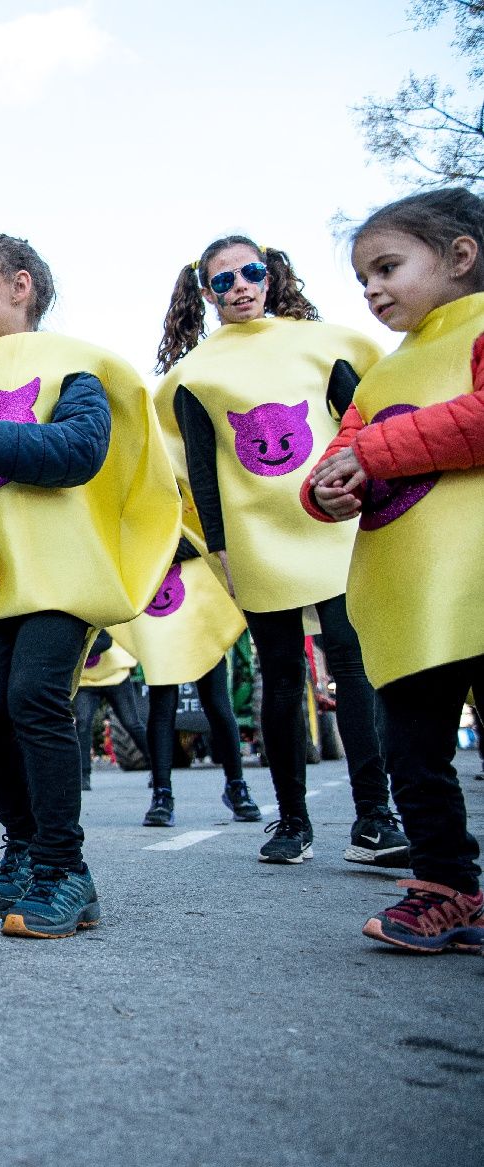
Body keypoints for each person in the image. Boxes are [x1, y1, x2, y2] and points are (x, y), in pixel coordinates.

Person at [0, 234, 179, 938]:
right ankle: (25, 845)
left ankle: (66, 868)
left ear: (20, 286)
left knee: (33, 697)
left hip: (61, 571)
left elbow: (80, 452)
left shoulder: (73, 366)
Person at [157, 235, 406, 867]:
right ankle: (292, 823)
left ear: (270, 276)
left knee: (353, 670)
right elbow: (203, 475)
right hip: (255, 541)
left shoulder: (320, 345)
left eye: (251, 272)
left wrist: (371, 502)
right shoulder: (195, 374)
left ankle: (375, 817)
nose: (239, 286)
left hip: (331, 524)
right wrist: (220, 554)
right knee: (281, 677)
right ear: (205, 292)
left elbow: (363, 427)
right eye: (223, 280)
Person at [300, 188, 484, 952]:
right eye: (362, 279)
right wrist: (327, 489)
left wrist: (367, 455)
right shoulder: (377, 377)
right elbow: (334, 460)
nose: (371, 290)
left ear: (459, 257)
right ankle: (446, 887)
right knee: (412, 750)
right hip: (411, 599)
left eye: (386, 267)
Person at [109, 521, 258, 828]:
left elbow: (206, 534)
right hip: (159, 609)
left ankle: (237, 786)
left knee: (217, 703)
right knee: (162, 706)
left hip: (200, 607)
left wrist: (163, 547)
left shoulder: (189, 485)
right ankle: (162, 795)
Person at [72, 634, 149, 792]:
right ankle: (83, 776)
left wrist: (74, 646)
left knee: (132, 723)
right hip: (86, 680)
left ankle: (158, 769)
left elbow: (105, 641)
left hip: (115, 674)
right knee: (83, 725)